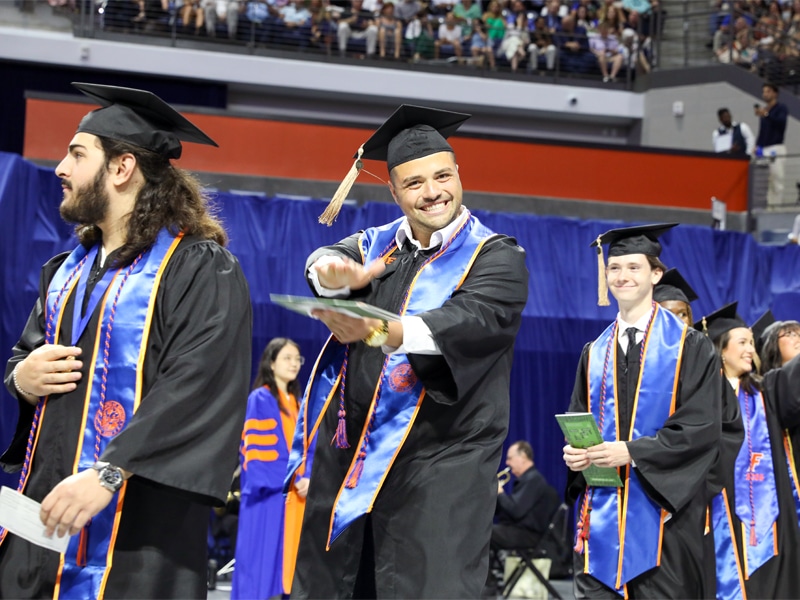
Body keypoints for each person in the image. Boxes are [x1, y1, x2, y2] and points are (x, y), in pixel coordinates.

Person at [0, 83, 252, 598]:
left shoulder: (198, 270)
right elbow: (26, 355)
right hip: (41, 524)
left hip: (136, 539)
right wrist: (21, 378)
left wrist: (109, 472)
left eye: (77, 154)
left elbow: (197, 388)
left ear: (121, 168)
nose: (60, 169)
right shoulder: (67, 272)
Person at [285, 104, 530, 598]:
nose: (432, 191)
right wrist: (332, 275)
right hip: (354, 463)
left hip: (439, 470)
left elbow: (472, 320)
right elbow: (324, 261)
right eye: (414, 183)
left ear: (459, 175)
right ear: (393, 191)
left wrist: (379, 330)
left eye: (442, 176)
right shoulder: (376, 245)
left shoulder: (498, 256)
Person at [563, 223, 722, 598]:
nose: (622, 276)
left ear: (655, 274)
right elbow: (579, 418)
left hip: (663, 521)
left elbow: (700, 428)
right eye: (614, 268)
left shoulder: (690, 347)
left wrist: (631, 452)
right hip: (601, 518)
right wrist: (576, 454)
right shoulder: (594, 351)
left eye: (634, 267)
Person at [695, 303, 800, 599]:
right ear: (721, 349)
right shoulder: (701, 399)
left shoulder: (767, 392)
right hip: (719, 513)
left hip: (772, 521)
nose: (749, 350)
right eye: (742, 342)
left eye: (752, 343)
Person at [232, 338, 308, 599]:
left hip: (294, 499)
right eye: (287, 357)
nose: (294, 363)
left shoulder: (298, 403)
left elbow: (308, 449)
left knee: (287, 568)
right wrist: (289, 480)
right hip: (267, 497)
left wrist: (308, 478)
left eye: (297, 358)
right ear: (271, 362)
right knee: (259, 565)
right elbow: (258, 453)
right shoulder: (261, 398)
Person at [485, 441, 560, 594]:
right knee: (484, 530)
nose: (507, 463)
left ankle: (488, 582)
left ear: (523, 457)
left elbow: (516, 511)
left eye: (510, 458)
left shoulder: (534, 479)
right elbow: (508, 512)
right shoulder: (527, 479)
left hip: (528, 535)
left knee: (483, 533)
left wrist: (499, 493)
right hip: (519, 530)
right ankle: (489, 579)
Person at [755, 82, 789, 207]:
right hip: (764, 148)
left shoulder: (781, 108)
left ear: (775, 93)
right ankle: (767, 206)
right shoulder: (764, 111)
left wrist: (767, 115)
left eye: (768, 91)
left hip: (776, 147)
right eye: (764, 91)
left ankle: (776, 207)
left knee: (777, 179)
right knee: (765, 181)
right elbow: (762, 131)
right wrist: (757, 145)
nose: (765, 94)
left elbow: (780, 123)